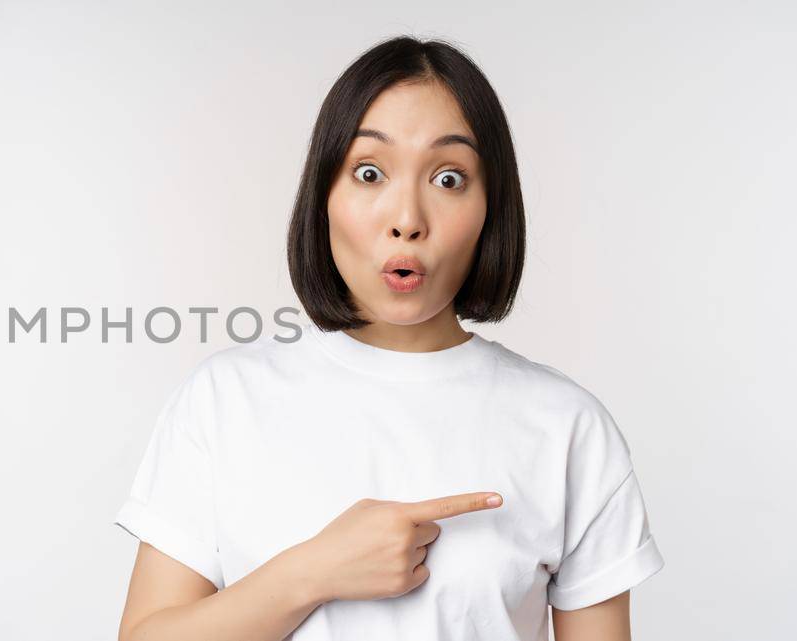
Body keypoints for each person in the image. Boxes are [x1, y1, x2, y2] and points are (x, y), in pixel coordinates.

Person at [113, 36, 664, 641]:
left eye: (449, 178)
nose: (407, 218)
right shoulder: (223, 401)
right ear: (323, 195)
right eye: (369, 172)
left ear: (491, 210)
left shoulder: (567, 428)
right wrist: (311, 572)